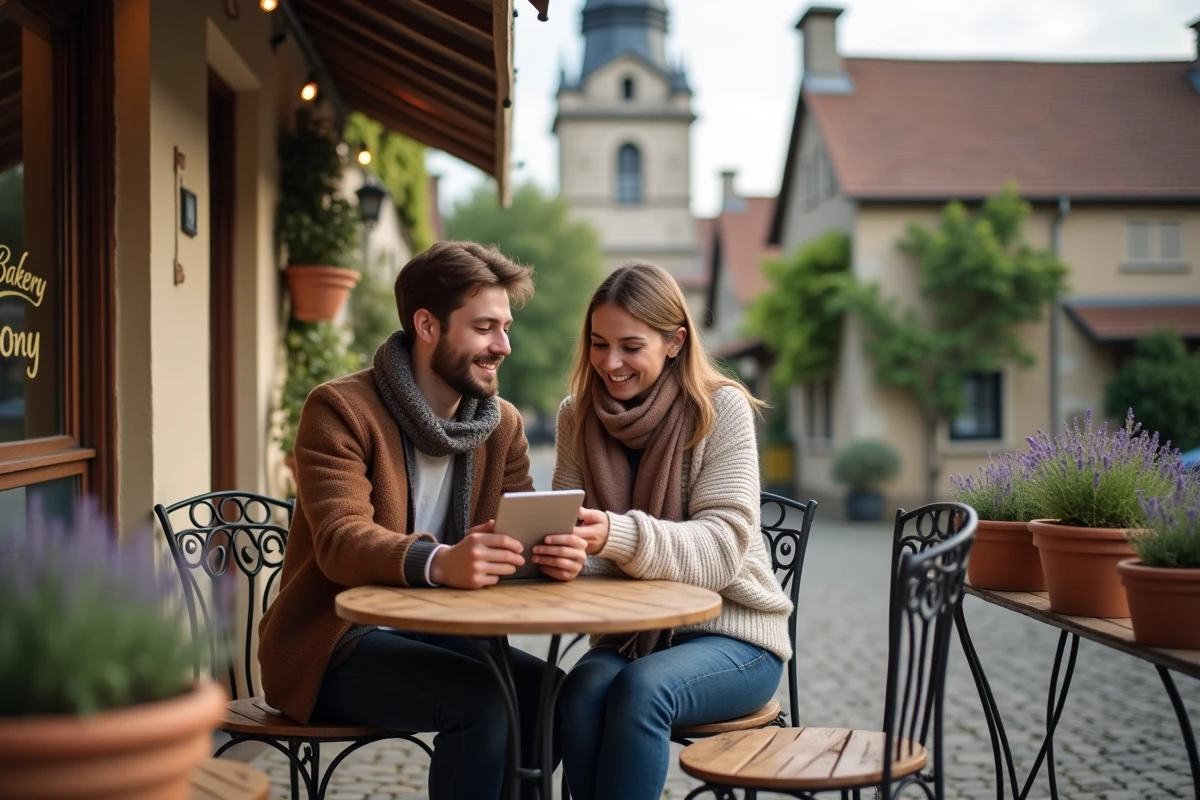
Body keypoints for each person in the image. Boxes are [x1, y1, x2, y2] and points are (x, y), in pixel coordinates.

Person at [258, 241, 588, 800]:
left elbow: (516, 534)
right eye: (485, 328)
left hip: (442, 633)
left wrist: (549, 552)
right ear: (427, 324)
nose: (503, 346)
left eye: (505, 327)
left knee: (552, 695)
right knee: (484, 703)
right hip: (336, 641)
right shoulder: (339, 409)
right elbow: (341, 541)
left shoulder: (500, 424)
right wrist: (441, 562)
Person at [548, 262, 793, 800]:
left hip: (735, 635)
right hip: (632, 635)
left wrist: (611, 534)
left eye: (630, 346)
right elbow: (588, 542)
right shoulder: (577, 417)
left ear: (675, 342)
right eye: (598, 343)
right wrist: (565, 554)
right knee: (581, 690)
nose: (610, 363)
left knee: (642, 691)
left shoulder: (718, 408)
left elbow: (723, 546)